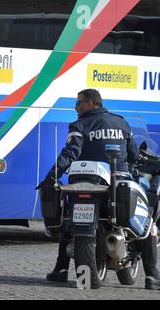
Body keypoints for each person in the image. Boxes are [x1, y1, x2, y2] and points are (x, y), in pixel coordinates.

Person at [38, 88, 160, 290]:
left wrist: (52, 176)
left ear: (90, 103)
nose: (75, 108)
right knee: (149, 225)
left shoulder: (80, 125)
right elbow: (133, 156)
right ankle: (152, 277)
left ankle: (61, 270)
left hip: (84, 182)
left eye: (78, 103)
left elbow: (70, 152)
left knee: (70, 219)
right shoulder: (120, 123)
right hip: (118, 182)